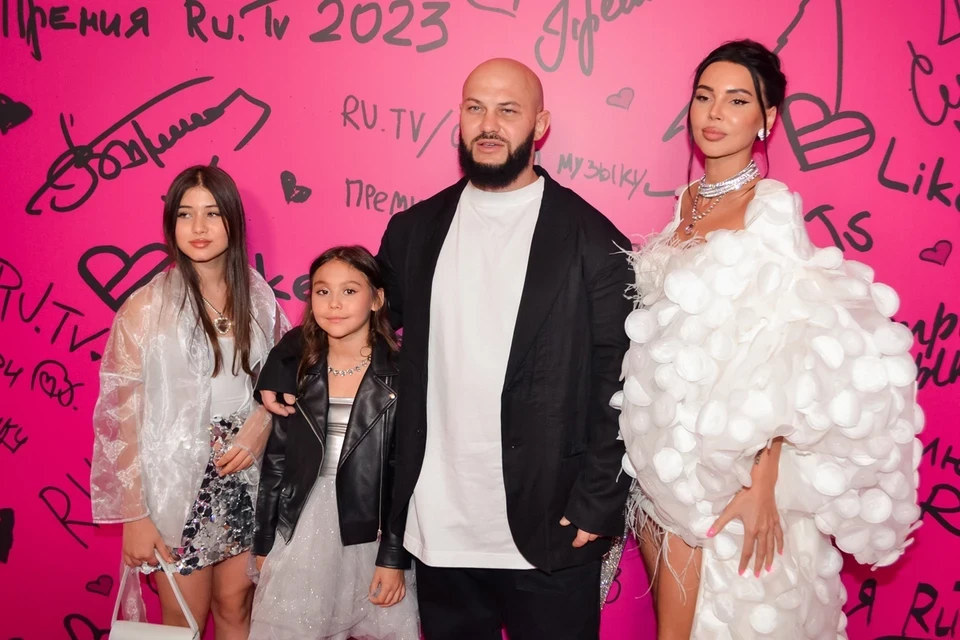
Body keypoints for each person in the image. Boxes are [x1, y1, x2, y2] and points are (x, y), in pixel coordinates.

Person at [260, 57, 634, 639]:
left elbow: (621, 376)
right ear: (459, 118)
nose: (489, 124)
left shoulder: (593, 239)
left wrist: (599, 497)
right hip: (438, 525)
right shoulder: (415, 230)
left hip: (551, 521)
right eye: (475, 108)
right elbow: (359, 314)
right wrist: (284, 362)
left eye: (508, 110)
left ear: (540, 125)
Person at [614, 39, 924, 639]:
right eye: (704, 97)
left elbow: (788, 348)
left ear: (767, 119)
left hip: (732, 475)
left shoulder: (770, 208)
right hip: (671, 461)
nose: (714, 113)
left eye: (736, 100)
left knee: (729, 619)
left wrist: (762, 482)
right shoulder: (688, 203)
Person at [91, 165, 290, 637]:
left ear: (233, 221)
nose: (199, 227)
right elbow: (120, 416)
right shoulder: (145, 308)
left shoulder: (259, 298)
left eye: (212, 213)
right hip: (177, 485)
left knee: (236, 608)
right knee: (182, 620)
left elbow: (287, 380)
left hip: (246, 474)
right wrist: (135, 515)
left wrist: (261, 424)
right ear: (171, 224)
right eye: (185, 214)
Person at [248, 246, 419, 640]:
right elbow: (276, 463)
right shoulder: (298, 370)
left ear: (376, 299)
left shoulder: (402, 375)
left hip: (369, 531)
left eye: (350, 291)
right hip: (300, 525)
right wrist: (265, 539)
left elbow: (406, 475)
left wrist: (393, 556)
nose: (334, 304)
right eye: (323, 291)